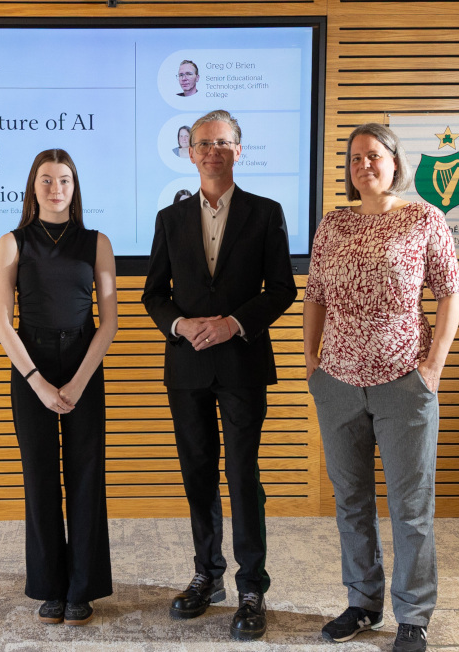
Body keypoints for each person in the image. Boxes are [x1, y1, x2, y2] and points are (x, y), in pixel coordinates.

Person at [304, 123, 459, 652]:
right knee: (350, 501)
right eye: (354, 159)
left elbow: (450, 292)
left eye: (374, 156)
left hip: (404, 381)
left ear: (395, 162)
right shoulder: (333, 224)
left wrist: (433, 366)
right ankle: (363, 603)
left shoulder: (423, 218)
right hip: (338, 383)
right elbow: (316, 298)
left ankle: (413, 614)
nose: (363, 165)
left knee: (409, 505)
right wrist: (311, 363)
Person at [142, 110, 297, 641]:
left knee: (243, 475)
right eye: (204, 143)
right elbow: (153, 294)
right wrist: (181, 325)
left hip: (241, 363)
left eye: (224, 142)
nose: (213, 151)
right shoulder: (169, 218)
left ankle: (251, 584)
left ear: (239, 150)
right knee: (198, 475)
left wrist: (232, 324)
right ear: (190, 152)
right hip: (186, 367)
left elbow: (281, 289)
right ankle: (206, 576)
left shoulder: (265, 212)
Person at [0, 148, 117, 627]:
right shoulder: (12, 242)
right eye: (46, 180)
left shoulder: (96, 242)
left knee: (86, 476)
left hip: (85, 360)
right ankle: (49, 586)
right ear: (33, 186)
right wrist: (39, 383)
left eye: (64, 179)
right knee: (40, 478)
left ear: (74, 186)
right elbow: (4, 323)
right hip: (31, 364)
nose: (55, 188)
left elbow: (109, 321)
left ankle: (82, 587)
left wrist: (80, 380)